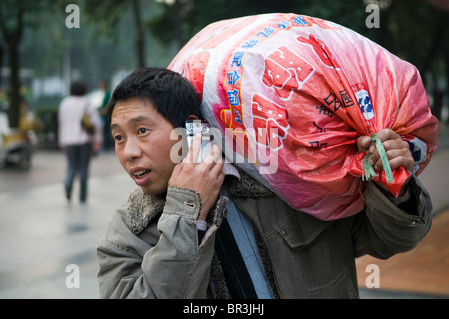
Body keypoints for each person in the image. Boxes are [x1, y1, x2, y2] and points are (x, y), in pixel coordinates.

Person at [96, 67, 433, 299]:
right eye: (118, 138)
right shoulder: (127, 233)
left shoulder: (285, 183)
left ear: (192, 130)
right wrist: (186, 211)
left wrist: (393, 185)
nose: (128, 152)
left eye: (142, 131)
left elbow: (391, 240)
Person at [58, 80, 102, 203]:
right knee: (84, 168)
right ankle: (82, 196)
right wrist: (98, 139)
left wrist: (62, 140)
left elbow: (61, 123)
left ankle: (68, 183)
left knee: (71, 165)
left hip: (68, 140)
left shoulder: (64, 103)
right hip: (85, 141)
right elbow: (96, 124)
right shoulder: (87, 103)